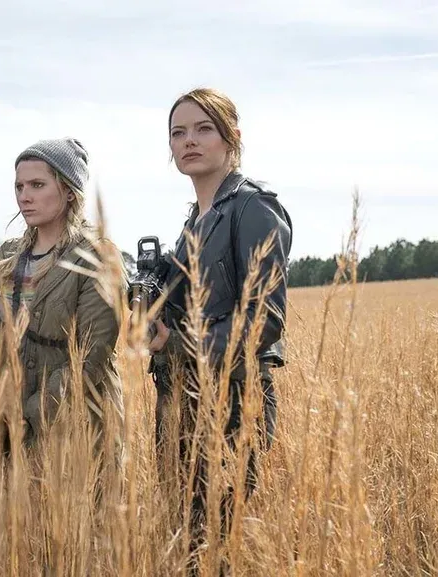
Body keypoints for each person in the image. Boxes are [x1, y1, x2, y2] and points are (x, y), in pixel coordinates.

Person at [148, 88, 292, 570]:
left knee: (221, 542)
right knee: (190, 541)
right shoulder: (196, 218)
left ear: (232, 137)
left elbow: (264, 319)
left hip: (232, 398)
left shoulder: (253, 208)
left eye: (203, 129)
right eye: (178, 133)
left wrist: (179, 343)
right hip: (181, 396)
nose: (188, 141)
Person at [0, 138, 124, 444]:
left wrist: (32, 415)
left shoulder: (95, 257)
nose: (24, 196)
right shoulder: (7, 256)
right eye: (19, 187)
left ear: (69, 190)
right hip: (9, 425)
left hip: (76, 426)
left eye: (37, 185)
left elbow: (90, 357)